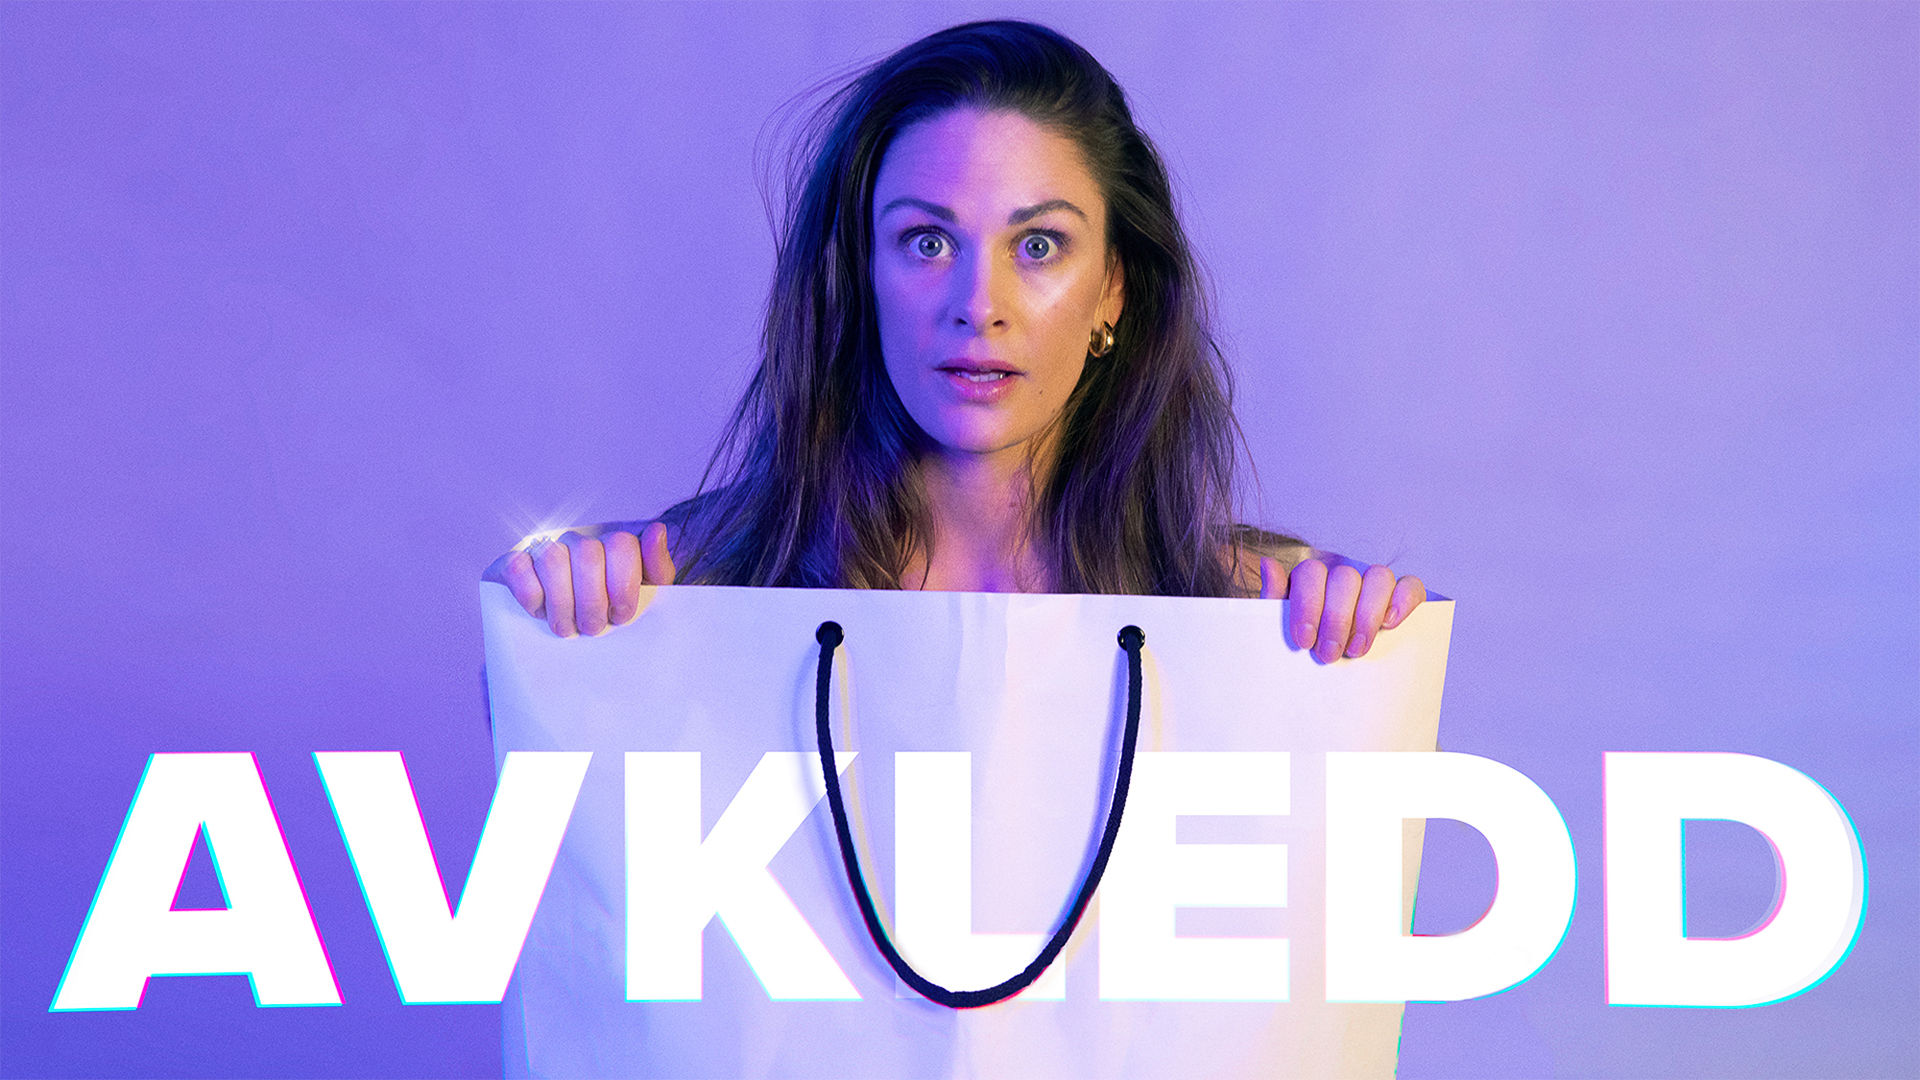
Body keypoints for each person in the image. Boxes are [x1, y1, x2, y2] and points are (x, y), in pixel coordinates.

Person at [486, 19, 1425, 663]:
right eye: (928, 242)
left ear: (1112, 290)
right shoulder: (694, 587)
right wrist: (553, 601)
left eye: (1040, 245)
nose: (979, 305)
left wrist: (1355, 639)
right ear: (861, 276)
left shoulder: (1247, 612)